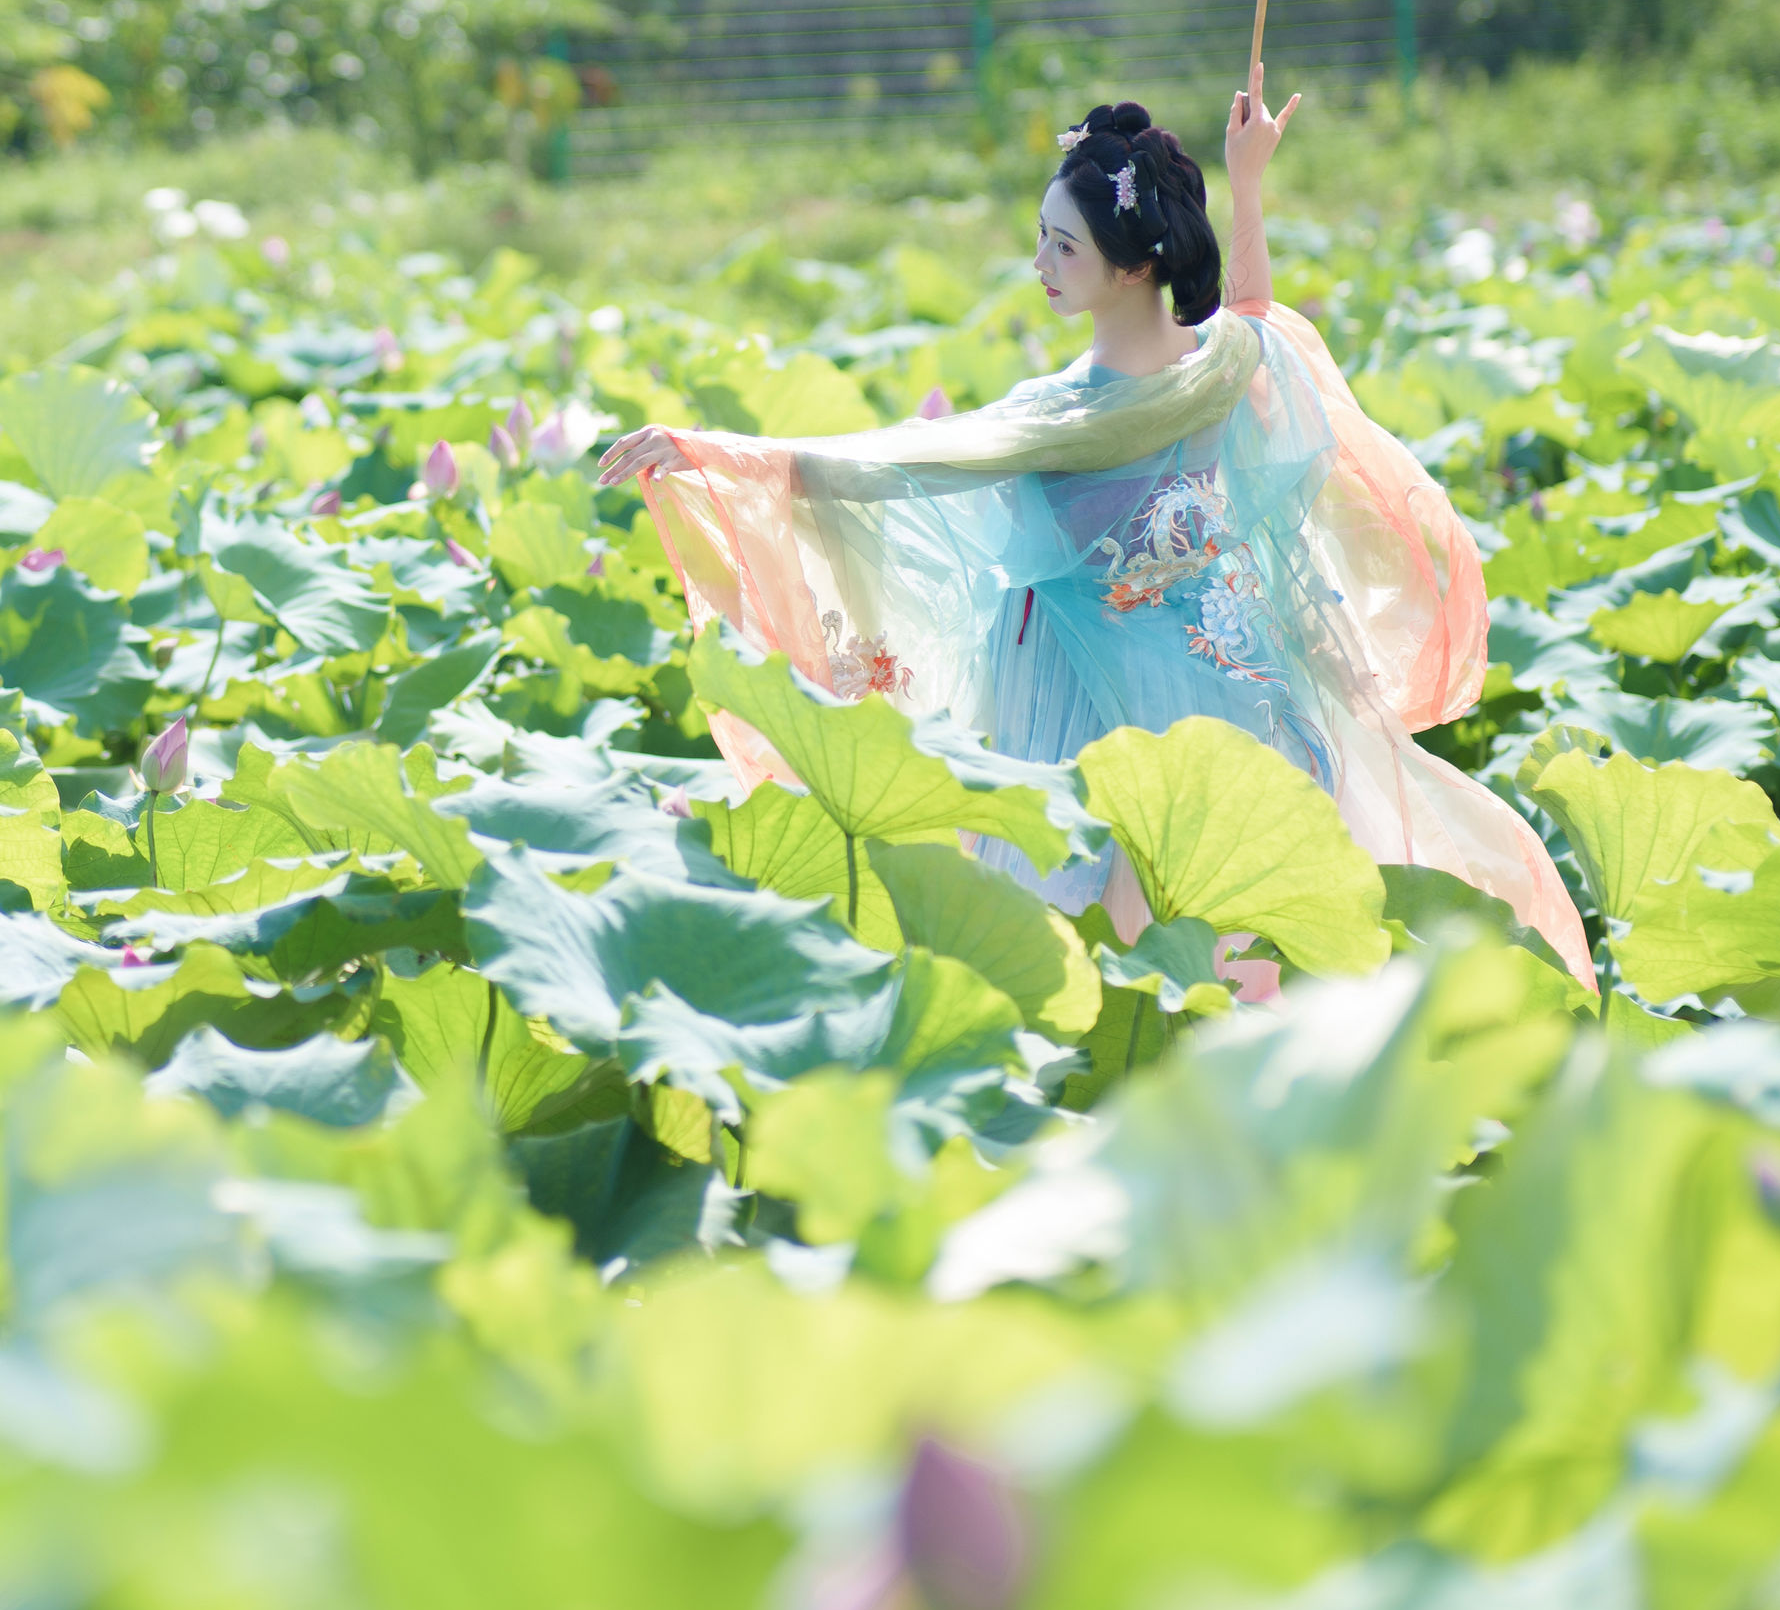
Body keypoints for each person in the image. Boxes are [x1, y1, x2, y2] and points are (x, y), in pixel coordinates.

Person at [599, 71, 1591, 980]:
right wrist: (1250, 185)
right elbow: (1250, 304)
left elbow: (893, 465)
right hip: (1240, 695)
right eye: (1040, 236)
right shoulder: (1225, 363)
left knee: (1135, 960)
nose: (1039, 263)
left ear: (1132, 263)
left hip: (1108, 723)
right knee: (1218, 961)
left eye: (1061, 245)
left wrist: (717, 455)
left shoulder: (1082, 409)